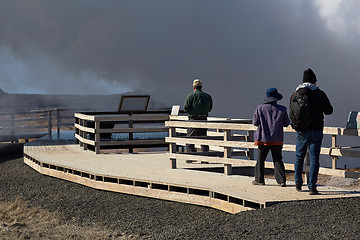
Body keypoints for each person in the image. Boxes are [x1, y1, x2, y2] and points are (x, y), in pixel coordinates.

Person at [290, 68, 333, 195]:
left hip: (301, 131)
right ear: (314, 81)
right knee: (314, 159)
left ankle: (298, 184)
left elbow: (291, 112)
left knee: (299, 157)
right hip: (316, 130)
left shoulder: (296, 94)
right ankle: (312, 187)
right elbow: (329, 111)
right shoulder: (319, 94)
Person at [252, 88, 290, 187]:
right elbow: (286, 124)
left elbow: (255, 123)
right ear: (276, 98)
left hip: (263, 139)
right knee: (277, 160)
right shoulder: (283, 109)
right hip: (277, 139)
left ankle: (259, 180)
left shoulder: (260, 108)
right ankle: (281, 181)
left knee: (260, 160)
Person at [183, 79, 213, 152]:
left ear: (194, 87)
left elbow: (185, 108)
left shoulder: (191, 96)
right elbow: (210, 109)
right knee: (203, 139)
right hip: (204, 119)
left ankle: (191, 157)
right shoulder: (207, 96)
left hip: (193, 120)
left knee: (190, 139)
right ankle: (205, 158)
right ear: (201, 87)